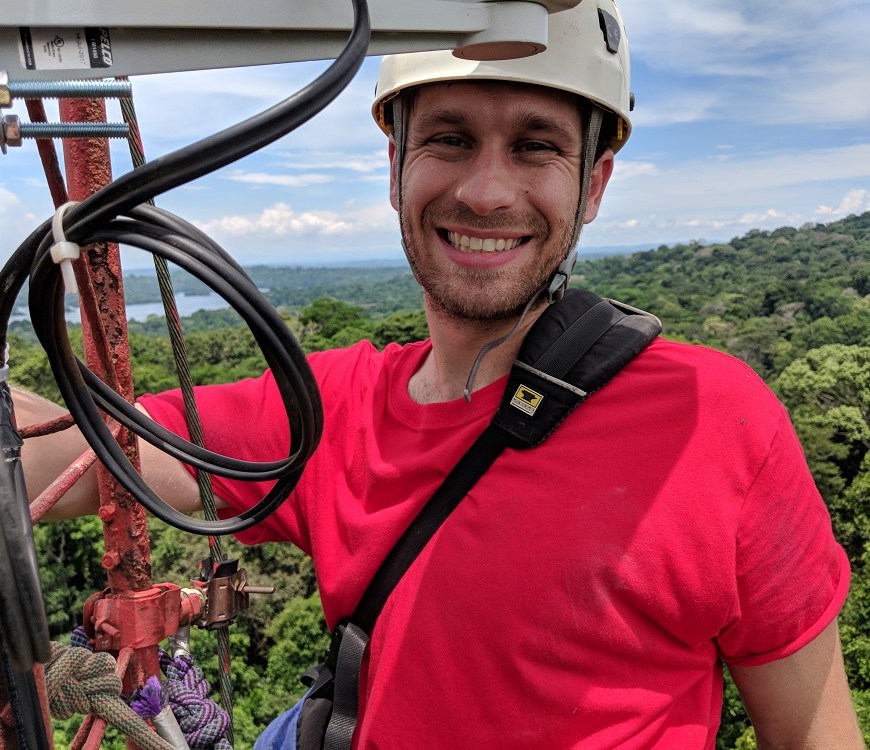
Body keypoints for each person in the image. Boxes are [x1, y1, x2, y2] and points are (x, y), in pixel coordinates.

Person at [16, 1, 864, 748]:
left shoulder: (713, 421)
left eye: (537, 147)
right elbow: (66, 455)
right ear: (395, 167)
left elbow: (812, 734)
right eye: (451, 139)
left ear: (594, 182)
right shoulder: (328, 411)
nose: (488, 191)